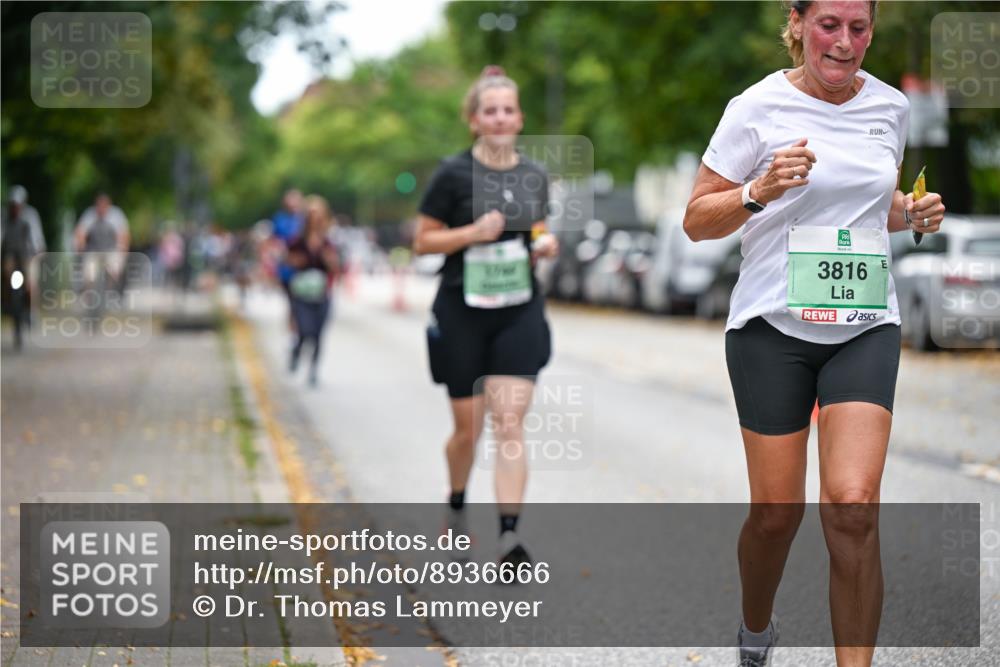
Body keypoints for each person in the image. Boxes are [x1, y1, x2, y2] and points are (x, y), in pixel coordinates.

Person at [682, 2, 946, 666]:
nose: (845, 41)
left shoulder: (890, 108)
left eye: (860, 28)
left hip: (864, 323)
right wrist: (757, 189)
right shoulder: (755, 107)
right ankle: (755, 629)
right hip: (773, 327)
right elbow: (696, 220)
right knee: (777, 513)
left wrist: (908, 212)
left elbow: (864, 203)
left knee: (853, 507)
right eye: (830, 24)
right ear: (797, 24)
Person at [413, 66, 559, 567]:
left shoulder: (534, 175)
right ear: (474, 120)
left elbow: (536, 229)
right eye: (489, 111)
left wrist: (544, 243)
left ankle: (509, 536)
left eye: (508, 110)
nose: (500, 118)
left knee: (509, 422)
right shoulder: (452, 174)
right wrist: (470, 234)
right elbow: (423, 239)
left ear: (519, 118)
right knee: (467, 430)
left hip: (518, 311)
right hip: (461, 312)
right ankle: (456, 501)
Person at [286, 195, 339, 387]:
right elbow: (288, 259)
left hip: (322, 292)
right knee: (305, 330)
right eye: (311, 213)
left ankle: (313, 371)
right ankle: (296, 351)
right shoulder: (298, 239)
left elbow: (336, 267)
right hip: (302, 292)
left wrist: (328, 259)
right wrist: (296, 261)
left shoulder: (329, 240)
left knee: (318, 334)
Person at [1, 186, 44, 348]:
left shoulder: (30, 216)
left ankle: (32, 311)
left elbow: (36, 237)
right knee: (6, 274)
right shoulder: (4, 216)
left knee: (31, 282)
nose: (14, 208)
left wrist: (38, 251)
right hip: (10, 254)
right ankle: (6, 301)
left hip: (28, 254)